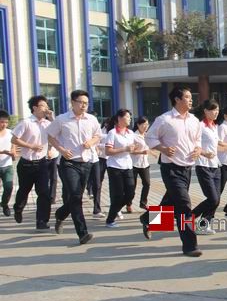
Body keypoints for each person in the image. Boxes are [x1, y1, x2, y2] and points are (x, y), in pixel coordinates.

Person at [139, 87, 204, 257]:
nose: (191, 100)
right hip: (171, 168)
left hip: (187, 167)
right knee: (184, 205)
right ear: (177, 99)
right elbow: (149, 137)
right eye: (188, 97)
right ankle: (190, 245)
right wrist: (163, 149)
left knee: (170, 203)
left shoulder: (194, 120)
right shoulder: (164, 119)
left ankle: (147, 219)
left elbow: (197, 140)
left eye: (191, 97)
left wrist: (198, 149)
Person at [47, 90, 101, 244]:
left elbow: (98, 135)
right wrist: (62, 150)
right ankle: (82, 233)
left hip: (86, 163)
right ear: (72, 102)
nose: (84, 105)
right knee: (76, 197)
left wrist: (91, 142)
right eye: (81, 102)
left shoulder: (91, 119)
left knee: (75, 197)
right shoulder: (62, 119)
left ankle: (60, 214)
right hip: (68, 163)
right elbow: (50, 136)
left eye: (86, 103)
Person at [11, 96, 54, 230]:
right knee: (24, 190)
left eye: (47, 105)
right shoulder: (26, 123)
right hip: (26, 164)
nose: (46, 108)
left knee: (44, 193)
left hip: (42, 163)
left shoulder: (48, 124)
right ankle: (18, 208)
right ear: (34, 108)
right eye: (43, 105)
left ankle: (42, 221)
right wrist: (31, 146)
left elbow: (57, 135)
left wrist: (52, 118)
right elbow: (14, 139)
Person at [103, 109, 141, 228]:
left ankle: (114, 211)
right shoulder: (112, 133)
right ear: (119, 118)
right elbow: (108, 151)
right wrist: (124, 149)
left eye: (130, 117)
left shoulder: (130, 133)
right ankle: (110, 220)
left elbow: (133, 148)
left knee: (130, 193)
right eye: (128, 117)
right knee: (118, 195)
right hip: (115, 167)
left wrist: (135, 148)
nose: (130, 119)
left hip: (128, 166)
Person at [192, 99, 222, 235]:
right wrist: (204, 153)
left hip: (215, 166)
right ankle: (188, 218)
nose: (216, 112)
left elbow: (216, 144)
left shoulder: (214, 127)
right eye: (213, 109)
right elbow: (193, 145)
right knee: (213, 199)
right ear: (205, 111)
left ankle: (203, 225)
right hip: (203, 165)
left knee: (216, 200)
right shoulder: (199, 126)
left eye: (217, 110)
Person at [129, 116, 153, 211]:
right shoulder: (134, 136)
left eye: (147, 124)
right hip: (134, 164)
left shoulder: (147, 135)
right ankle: (129, 203)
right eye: (143, 124)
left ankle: (143, 203)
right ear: (138, 125)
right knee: (132, 186)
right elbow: (130, 151)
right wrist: (141, 152)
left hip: (145, 164)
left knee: (147, 184)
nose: (145, 126)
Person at [0, 110, 16, 217]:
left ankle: (4, 204)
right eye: (1, 122)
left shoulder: (11, 133)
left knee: (9, 187)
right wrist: (3, 152)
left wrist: (13, 153)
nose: (4, 124)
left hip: (7, 165)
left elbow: (13, 146)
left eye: (6, 122)